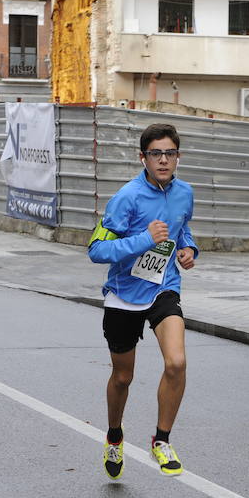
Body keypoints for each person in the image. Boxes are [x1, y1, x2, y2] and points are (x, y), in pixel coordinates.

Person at [88, 123, 198, 479]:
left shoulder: (185, 193)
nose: (163, 160)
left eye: (170, 153)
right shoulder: (126, 198)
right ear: (143, 158)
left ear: (177, 156)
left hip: (164, 288)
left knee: (177, 362)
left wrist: (187, 249)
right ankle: (115, 435)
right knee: (123, 377)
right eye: (156, 154)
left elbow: (183, 229)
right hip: (124, 295)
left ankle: (161, 440)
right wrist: (143, 240)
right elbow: (97, 250)